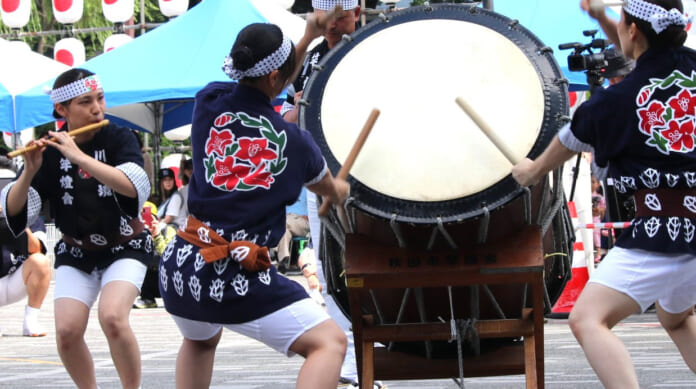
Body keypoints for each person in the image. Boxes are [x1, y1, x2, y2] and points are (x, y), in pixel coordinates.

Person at [512, 1, 696, 387]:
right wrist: (600, 16)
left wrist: (532, 170)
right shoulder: (685, 67)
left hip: (664, 233)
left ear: (632, 30)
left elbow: (572, 136)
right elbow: (645, 57)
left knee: (587, 318)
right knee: (675, 315)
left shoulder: (616, 100)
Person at [159, 20, 350, 389]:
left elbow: (274, 75)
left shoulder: (208, 101)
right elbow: (328, 188)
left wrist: (309, 35)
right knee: (330, 342)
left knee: (200, 341)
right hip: (232, 274)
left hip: (181, 268)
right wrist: (340, 189)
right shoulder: (294, 142)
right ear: (276, 76)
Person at [1, 68, 153, 389]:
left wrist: (78, 156)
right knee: (67, 333)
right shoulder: (50, 150)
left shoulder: (119, 137)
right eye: (85, 102)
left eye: (100, 98)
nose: (97, 109)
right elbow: (16, 210)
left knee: (112, 317)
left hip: (125, 245)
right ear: (62, 110)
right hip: (76, 250)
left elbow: (132, 186)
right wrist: (28, 172)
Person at [281, 1, 377, 387]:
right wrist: (297, 110)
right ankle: (350, 360)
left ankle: (381, 346)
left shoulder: (375, 46)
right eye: (324, 20)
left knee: (371, 259)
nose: (333, 26)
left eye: (340, 16)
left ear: (357, 10)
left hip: (371, 174)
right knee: (329, 266)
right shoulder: (311, 55)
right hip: (319, 174)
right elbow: (287, 112)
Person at [0, 216, 51, 337]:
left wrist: (15, 220)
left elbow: (36, 249)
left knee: (40, 261)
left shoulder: (30, 215)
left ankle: (31, 321)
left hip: (14, 280)